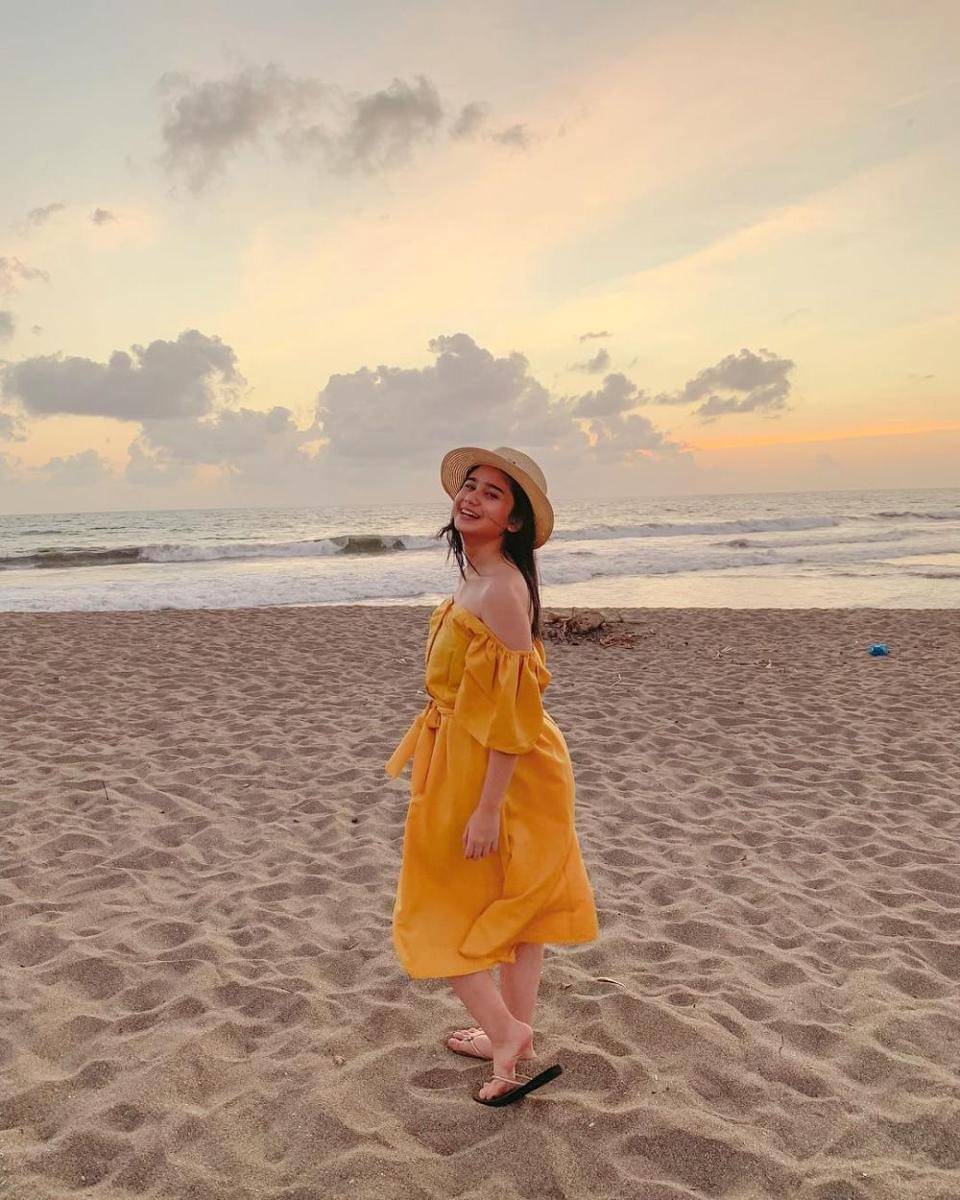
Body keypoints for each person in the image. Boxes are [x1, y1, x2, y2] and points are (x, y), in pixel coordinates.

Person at [385, 445, 599, 1107]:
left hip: (504, 768)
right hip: (466, 753)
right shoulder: (476, 578)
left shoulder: (503, 588)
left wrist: (486, 809)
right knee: (509, 903)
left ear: (514, 521)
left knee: (436, 906)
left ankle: (505, 1032)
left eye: (493, 494)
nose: (472, 497)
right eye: (471, 485)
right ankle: (511, 1039)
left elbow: (514, 712)